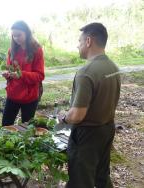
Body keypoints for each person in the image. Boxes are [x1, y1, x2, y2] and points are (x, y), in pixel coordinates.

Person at [57, 23, 121, 188]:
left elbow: (77, 115)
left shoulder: (86, 72)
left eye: (79, 41)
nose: (77, 45)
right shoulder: (113, 67)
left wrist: (64, 117)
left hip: (87, 135)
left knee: (80, 181)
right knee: (102, 177)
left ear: (88, 41)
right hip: (106, 129)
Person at [2, 20, 45, 126]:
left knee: (26, 128)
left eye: (19, 35)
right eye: (14, 36)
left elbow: (40, 75)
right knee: (6, 126)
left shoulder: (37, 50)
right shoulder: (11, 50)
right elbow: (11, 70)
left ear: (27, 33)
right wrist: (8, 74)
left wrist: (21, 75)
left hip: (29, 97)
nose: (16, 38)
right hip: (13, 94)